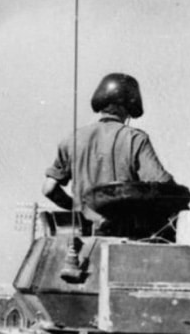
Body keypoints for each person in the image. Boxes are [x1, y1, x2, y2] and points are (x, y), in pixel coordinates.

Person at [42, 72, 176, 233]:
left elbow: (48, 189)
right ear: (127, 106)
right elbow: (165, 187)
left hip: (83, 237)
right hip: (124, 237)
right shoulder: (134, 138)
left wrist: (77, 209)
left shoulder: (72, 138)